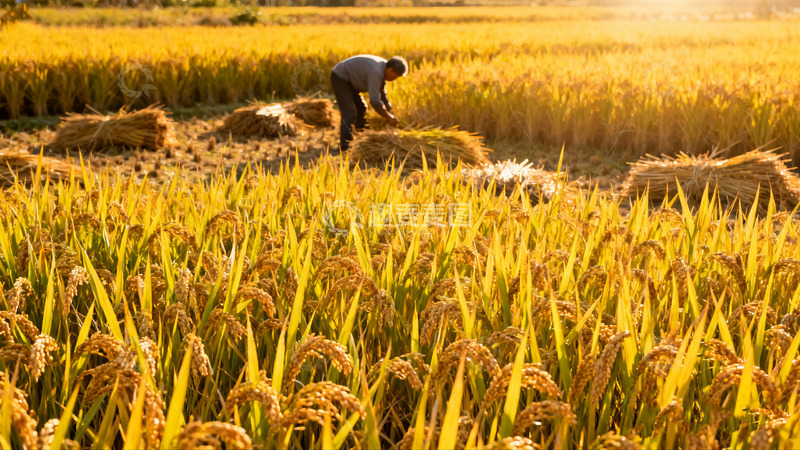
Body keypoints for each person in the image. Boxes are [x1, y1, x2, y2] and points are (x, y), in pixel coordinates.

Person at [330, 55, 408, 152]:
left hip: (351, 81)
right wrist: (388, 117)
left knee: (362, 108)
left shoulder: (383, 69)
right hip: (340, 77)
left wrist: (390, 111)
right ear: (391, 70)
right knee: (350, 112)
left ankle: (359, 137)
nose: (395, 79)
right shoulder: (376, 72)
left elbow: (382, 94)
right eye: (396, 76)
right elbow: (375, 101)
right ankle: (345, 146)